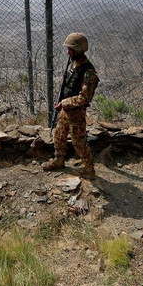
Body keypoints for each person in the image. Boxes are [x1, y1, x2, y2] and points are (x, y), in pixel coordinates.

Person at [41, 33, 100, 178]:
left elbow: (84, 98)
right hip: (65, 110)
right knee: (59, 135)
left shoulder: (88, 72)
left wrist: (64, 103)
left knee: (79, 142)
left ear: (78, 50)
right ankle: (59, 160)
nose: (68, 53)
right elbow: (69, 82)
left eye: (70, 50)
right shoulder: (72, 64)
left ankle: (89, 169)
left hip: (76, 113)